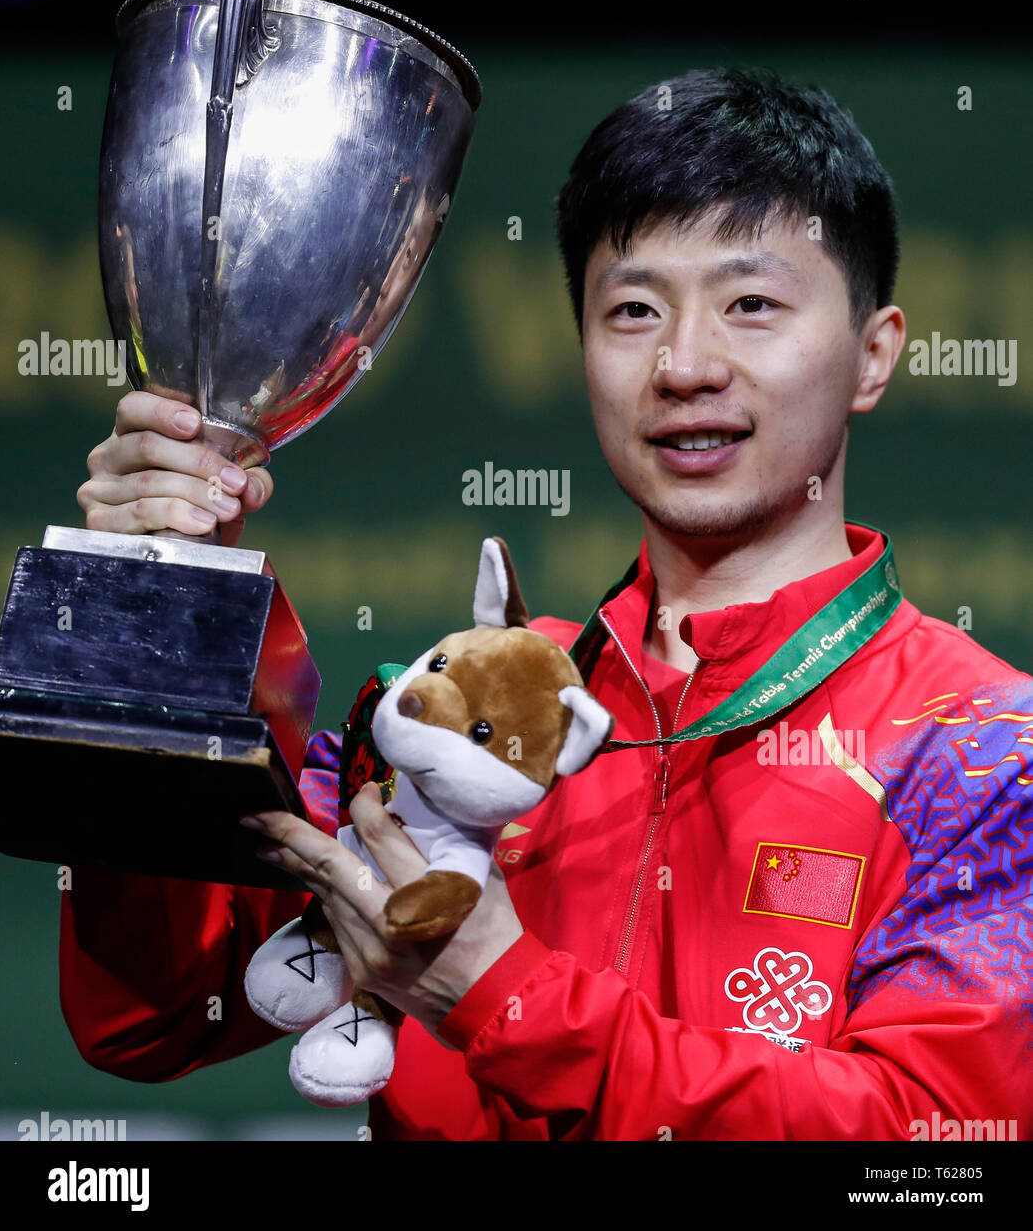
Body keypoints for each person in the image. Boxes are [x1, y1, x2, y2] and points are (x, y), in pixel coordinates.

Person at [65, 68, 1033, 1141]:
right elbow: (155, 1017)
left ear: (874, 353)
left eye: (751, 304)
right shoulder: (467, 716)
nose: (684, 365)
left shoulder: (984, 749)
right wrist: (152, 616)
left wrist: (504, 997)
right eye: (632, 310)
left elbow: (942, 1148)